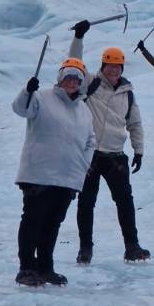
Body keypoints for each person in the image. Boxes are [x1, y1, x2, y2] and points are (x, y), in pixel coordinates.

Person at [68, 20, 150, 265]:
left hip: (116, 155)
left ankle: (132, 246)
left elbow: (134, 123)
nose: (114, 70)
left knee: (125, 202)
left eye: (117, 66)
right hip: (90, 154)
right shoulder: (90, 83)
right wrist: (79, 37)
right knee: (86, 203)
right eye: (110, 65)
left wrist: (139, 150)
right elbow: (74, 64)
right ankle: (85, 248)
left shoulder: (127, 92)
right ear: (103, 65)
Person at [12, 57, 96, 286]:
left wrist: (83, 165)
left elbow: (91, 141)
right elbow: (21, 109)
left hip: (67, 176)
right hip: (38, 173)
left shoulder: (84, 110)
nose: (72, 82)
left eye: (76, 78)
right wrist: (26, 91)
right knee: (33, 220)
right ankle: (27, 268)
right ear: (60, 79)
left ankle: (46, 267)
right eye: (68, 77)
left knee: (53, 222)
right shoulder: (41, 98)